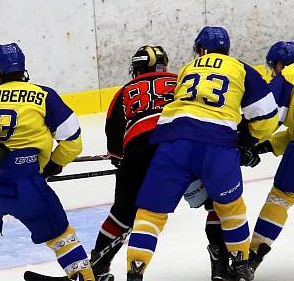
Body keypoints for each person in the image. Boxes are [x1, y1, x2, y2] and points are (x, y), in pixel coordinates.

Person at [125, 26, 279, 281]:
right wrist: (249, 141)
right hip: (217, 144)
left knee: (150, 213)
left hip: (173, 141)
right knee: (230, 207)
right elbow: (267, 116)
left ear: (201, 50)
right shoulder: (240, 69)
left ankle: (135, 271)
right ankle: (240, 266)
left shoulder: (188, 68)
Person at [0, 43, 95, 281]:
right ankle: (83, 277)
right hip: (26, 184)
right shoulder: (44, 95)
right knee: (61, 237)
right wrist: (52, 165)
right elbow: (73, 142)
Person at [93, 45, 233, 281]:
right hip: (184, 145)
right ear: (164, 65)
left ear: (136, 69)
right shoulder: (183, 80)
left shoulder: (125, 90)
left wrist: (122, 159)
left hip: (140, 150)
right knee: (217, 203)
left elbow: (114, 140)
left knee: (123, 213)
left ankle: (98, 266)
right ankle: (220, 265)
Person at [246, 41, 294, 273]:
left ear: (279, 64)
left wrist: (247, 143)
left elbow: (269, 116)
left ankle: (251, 258)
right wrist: (265, 147)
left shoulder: (287, 74)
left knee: (281, 196)